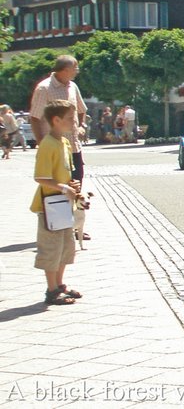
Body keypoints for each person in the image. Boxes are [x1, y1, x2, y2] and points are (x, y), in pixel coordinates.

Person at [31, 99, 83, 305]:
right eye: (70, 118)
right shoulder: (48, 144)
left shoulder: (64, 142)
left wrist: (72, 183)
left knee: (66, 247)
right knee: (51, 247)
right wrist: (63, 187)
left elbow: (63, 172)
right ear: (56, 119)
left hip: (63, 203)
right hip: (50, 205)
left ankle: (60, 284)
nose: (74, 122)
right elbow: (40, 177)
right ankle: (51, 290)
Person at [30, 55, 88, 183]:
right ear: (65, 70)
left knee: (77, 183)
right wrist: (42, 143)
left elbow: (82, 109)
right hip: (55, 147)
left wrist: (81, 126)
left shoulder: (73, 86)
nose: (77, 70)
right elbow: (34, 118)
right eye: (75, 68)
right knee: (59, 188)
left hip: (74, 146)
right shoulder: (44, 88)